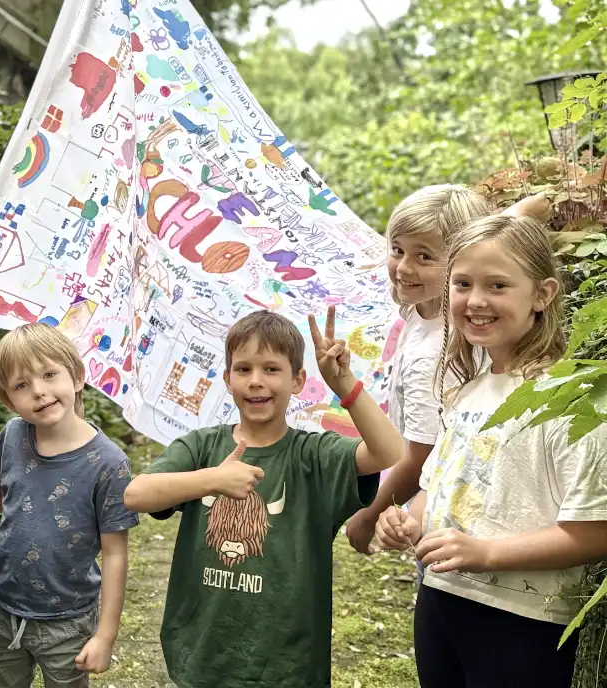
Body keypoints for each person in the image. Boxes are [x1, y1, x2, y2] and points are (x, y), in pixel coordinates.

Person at [375, 215, 607, 688]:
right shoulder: (468, 392)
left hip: (522, 623)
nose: (476, 300)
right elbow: (435, 490)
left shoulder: (573, 398)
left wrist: (486, 553)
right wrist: (408, 517)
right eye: (463, 284)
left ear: (542, 294)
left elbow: (596, 531)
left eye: (498, 285)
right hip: (440, 602)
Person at [123, 307, 404, 688]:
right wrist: (211, 479)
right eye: (243, 369)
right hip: (202, 651)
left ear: (298, 380)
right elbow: (136, 494)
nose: (256, 381)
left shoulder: (313, 456)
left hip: (287, 662)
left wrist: (344, 385)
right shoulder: (201, 447)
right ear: (227, 378)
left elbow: (389, 452)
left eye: (271, 369)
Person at [0, 323, 139, 687]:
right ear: (8, 399)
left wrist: (105, 636)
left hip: (68, 619)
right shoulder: (14, 435)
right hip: (1, 608)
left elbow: (115, 554)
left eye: (49, 374)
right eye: (21, 385)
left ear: (77, 376)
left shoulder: (109, 463)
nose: (39, 391)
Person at [345, 185, 491, 554]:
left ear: (464, 259)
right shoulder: (425, 305)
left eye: (424, 256)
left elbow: (419, 453)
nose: (404, 267)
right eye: (397, 250)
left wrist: (369, 515)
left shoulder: (435, 352)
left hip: (451, 515)